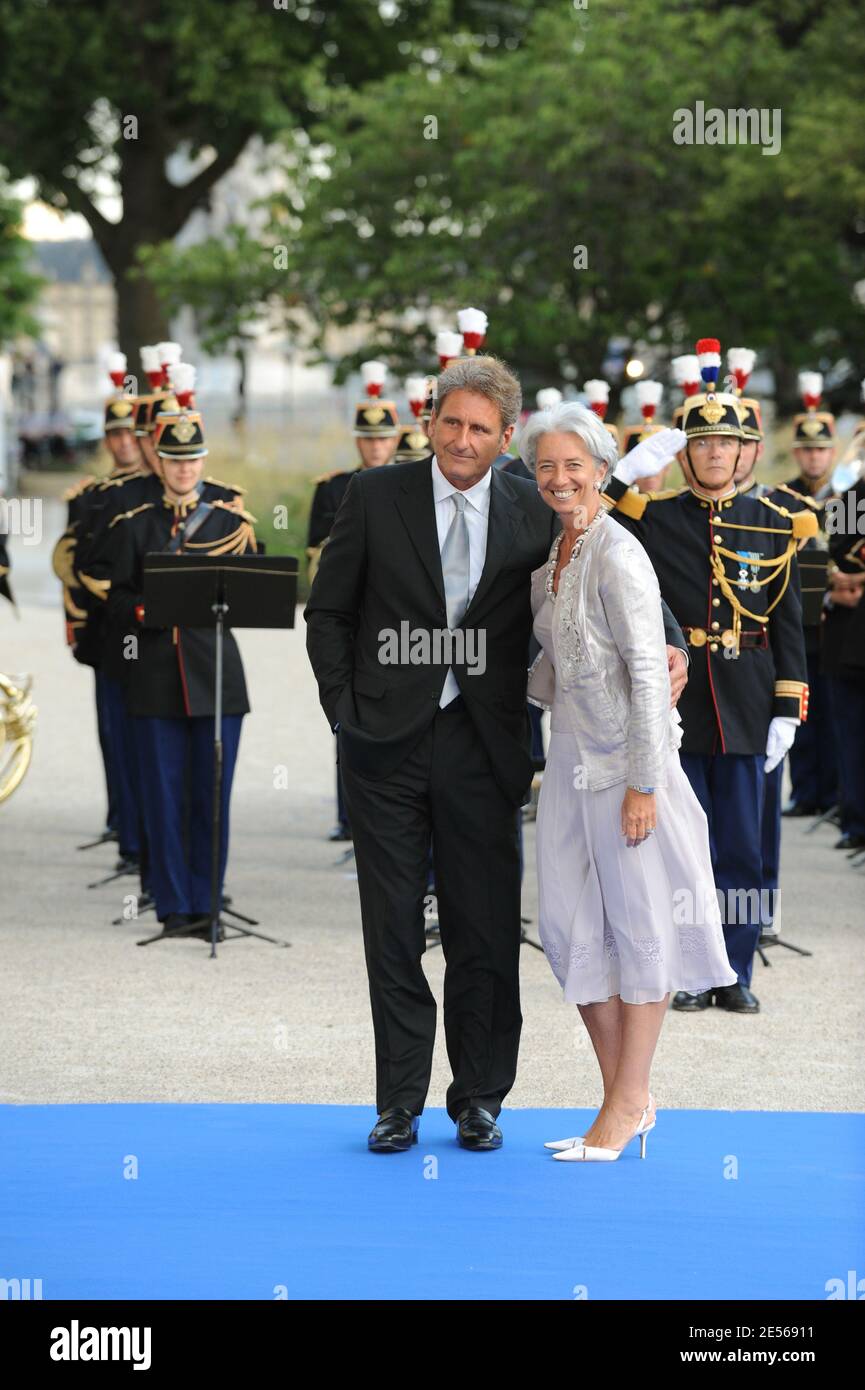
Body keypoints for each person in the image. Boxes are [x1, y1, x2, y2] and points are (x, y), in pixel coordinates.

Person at [304, 354, 689, 1154]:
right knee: (393, 926)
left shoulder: (533, 499)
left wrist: (672, 641)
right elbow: (329, 612)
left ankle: (479, 1098)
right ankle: (397, 1102)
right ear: (429, 422)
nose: (462, 439)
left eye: (481, 428)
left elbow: (602, 555)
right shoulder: (374, 497)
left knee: (483, 928)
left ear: (505, 436)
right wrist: (346, 712)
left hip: (486, 745)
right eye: (450, 423)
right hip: (384, 746)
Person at [522, 400, 736, 1161]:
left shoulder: (617, 552)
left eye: (572, 465)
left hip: (626, 770)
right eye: (545, 465)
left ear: (601, 470)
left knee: (639, 931)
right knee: (572, 932)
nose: (557, 478)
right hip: (569, 765)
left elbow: (648, 669)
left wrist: (646, 781)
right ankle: (625, 1100)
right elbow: (559, 662)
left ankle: (621, 1108)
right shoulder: (558, 555)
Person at [601, 338, 814, 1014]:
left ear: (744, 450)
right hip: (680, 702)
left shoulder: (776, 523)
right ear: (685, 453)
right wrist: (622, 476)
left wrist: (787, 706)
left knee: (741, 850)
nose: (715, 453)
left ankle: (735, 967)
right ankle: (689, 968)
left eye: (726, 443)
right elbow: (588, 525)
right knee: (679, 846)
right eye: (702, 443)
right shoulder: (655, 518)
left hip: (749, 704)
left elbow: (786, 621)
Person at [105, 393, 258, 938]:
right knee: (163, 798)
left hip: (215, 677)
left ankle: (207, 901)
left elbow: (254, 589)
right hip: (153, 678)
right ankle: (173, 906)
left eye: (193, 460)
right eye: (174, 460)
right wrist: (146, 608)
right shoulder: (134, 524)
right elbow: (116, 600)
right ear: (160, 463)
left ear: (203, 462)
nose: (184, 469)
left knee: (211, 798)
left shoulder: (232, 522)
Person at [306, 365, 400, 842]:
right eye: (368, 439)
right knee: (348, 714)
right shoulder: (335, 489)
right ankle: (349, 816)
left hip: (394, 621)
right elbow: (317, 559)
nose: (376, 447)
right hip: (353, 613)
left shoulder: (413, 485)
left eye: (383, 440)